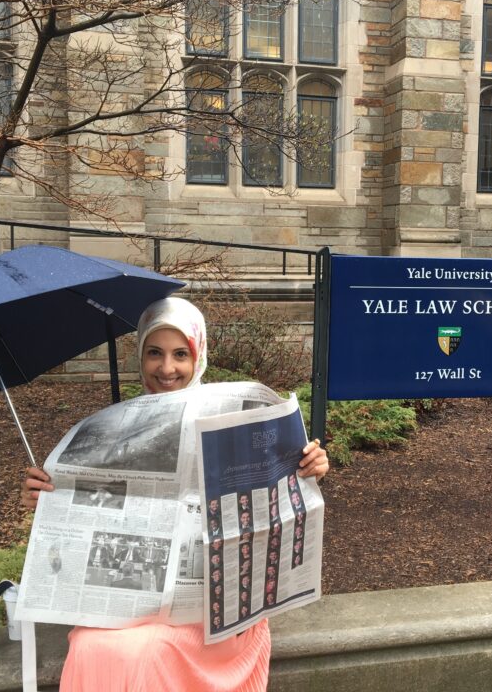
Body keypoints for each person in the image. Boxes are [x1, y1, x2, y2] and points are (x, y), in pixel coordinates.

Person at [20, 296, 329, 692]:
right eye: (155, 353)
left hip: (213, 610)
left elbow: (281, 493)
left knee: (148, 654)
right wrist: (46, 497)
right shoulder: (112, 430)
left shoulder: (231, 418)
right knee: (88, 646)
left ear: (197, 356)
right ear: (141, 357)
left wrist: (310, 466)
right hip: (135, 601)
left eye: (180, 354)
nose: (167, 368)